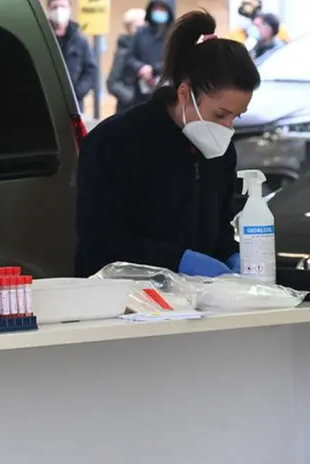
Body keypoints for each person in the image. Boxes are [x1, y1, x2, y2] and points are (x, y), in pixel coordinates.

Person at [74, 11, 261, 278]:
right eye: (220, 114)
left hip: (198, 303)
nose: (227, 127)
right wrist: (178, 260)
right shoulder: (116, 141)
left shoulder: (219, 151)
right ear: (185, 93)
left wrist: (231, 254)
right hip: (122, 301)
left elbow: (218, 229)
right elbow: (99, 243)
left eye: (236, 116)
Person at [46, 0, 97, 106]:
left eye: (63, 7)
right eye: (55, 7)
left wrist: (77, 92)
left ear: (69, 9)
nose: (59, 11)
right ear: (48, 9)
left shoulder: (79, 40)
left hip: (73, 103)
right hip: (46, 100)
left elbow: (90, 69)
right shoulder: (41, 37)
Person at [125, 0, 174, 106]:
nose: (159, 11)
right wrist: (141, 67)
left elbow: (179, 58)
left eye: (162, 8)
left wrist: (155, 69)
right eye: (156, 8)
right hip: (142, 92)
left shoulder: (175, 34)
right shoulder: (141, 33)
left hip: (168, 91)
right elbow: (129, 57)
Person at [106, 8, 146, 112]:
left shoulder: (147, 48)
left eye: (144, 27)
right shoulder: (124, 51)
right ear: (129, 29)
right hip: (128, 109)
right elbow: (112, 83)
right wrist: (132, 98)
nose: (141, 31)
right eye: (137, 27)